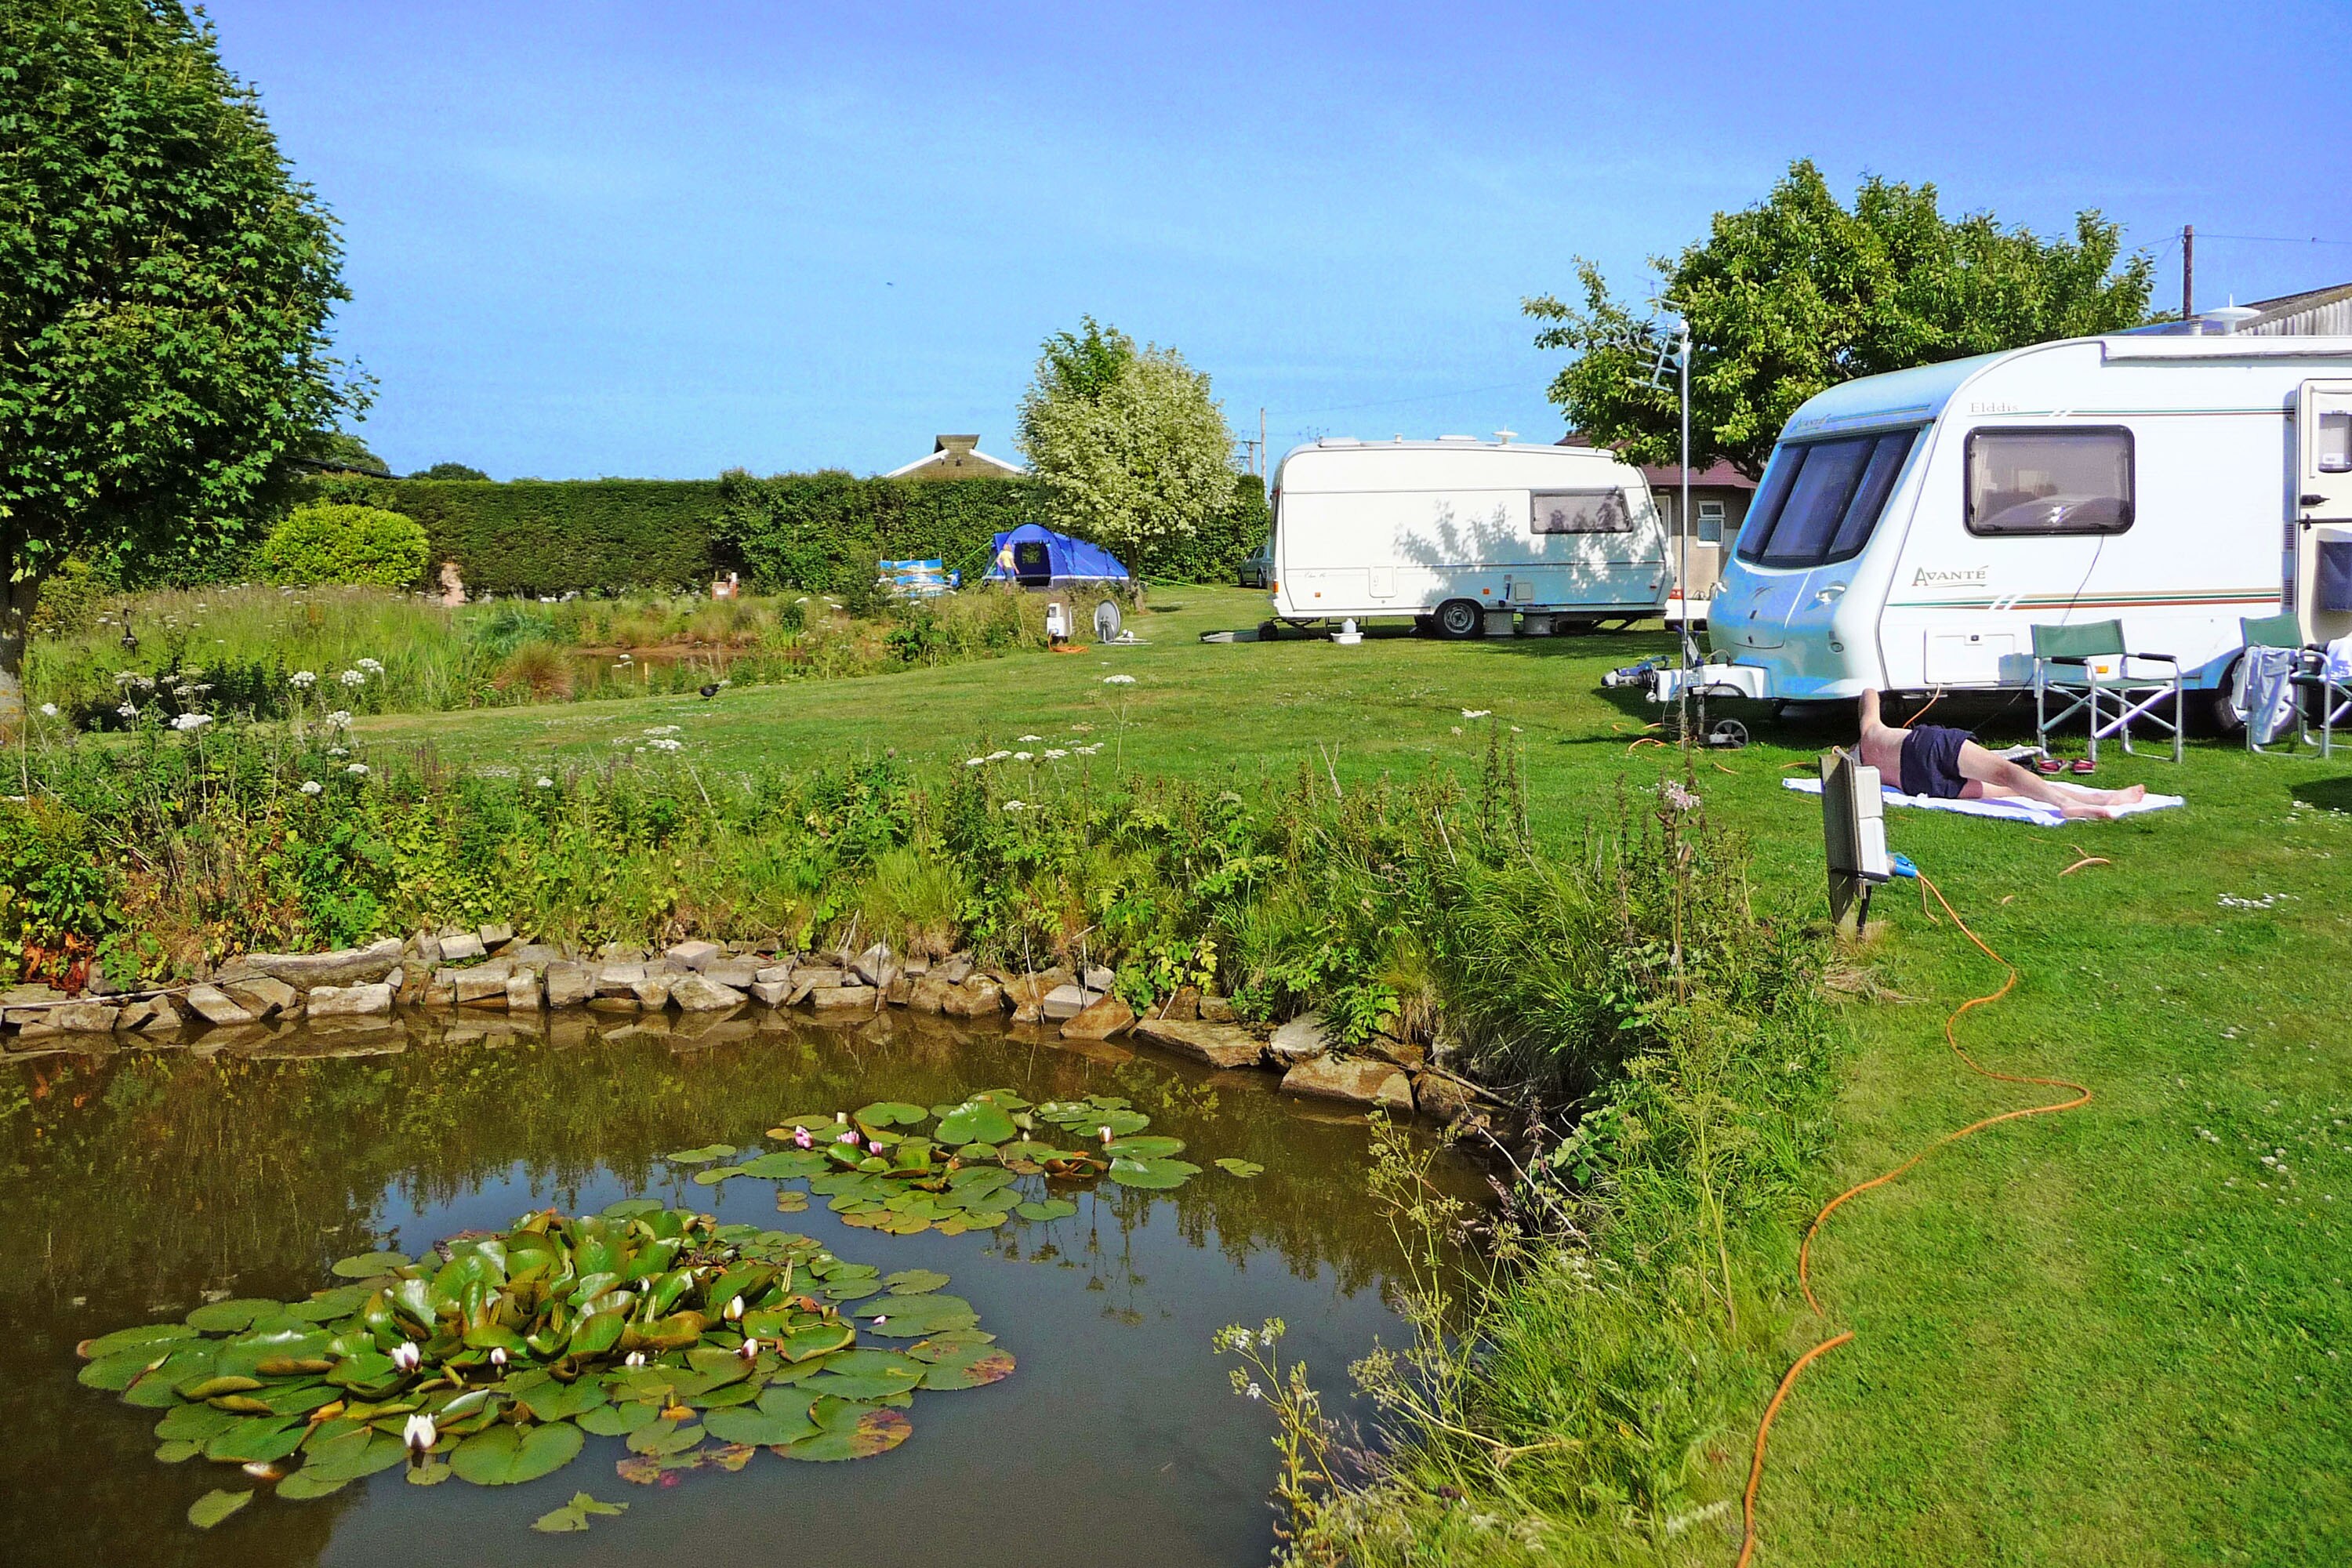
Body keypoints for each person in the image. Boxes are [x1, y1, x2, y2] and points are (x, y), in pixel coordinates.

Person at [1857, 691, 2147, 821]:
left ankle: (2098, 798)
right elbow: (1869, 693)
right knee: (2006, 773)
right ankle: (2067, 803)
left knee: (2013, 789)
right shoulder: (1870, 731)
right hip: (1925, 747)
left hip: (1921, 782)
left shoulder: (1865, 768)